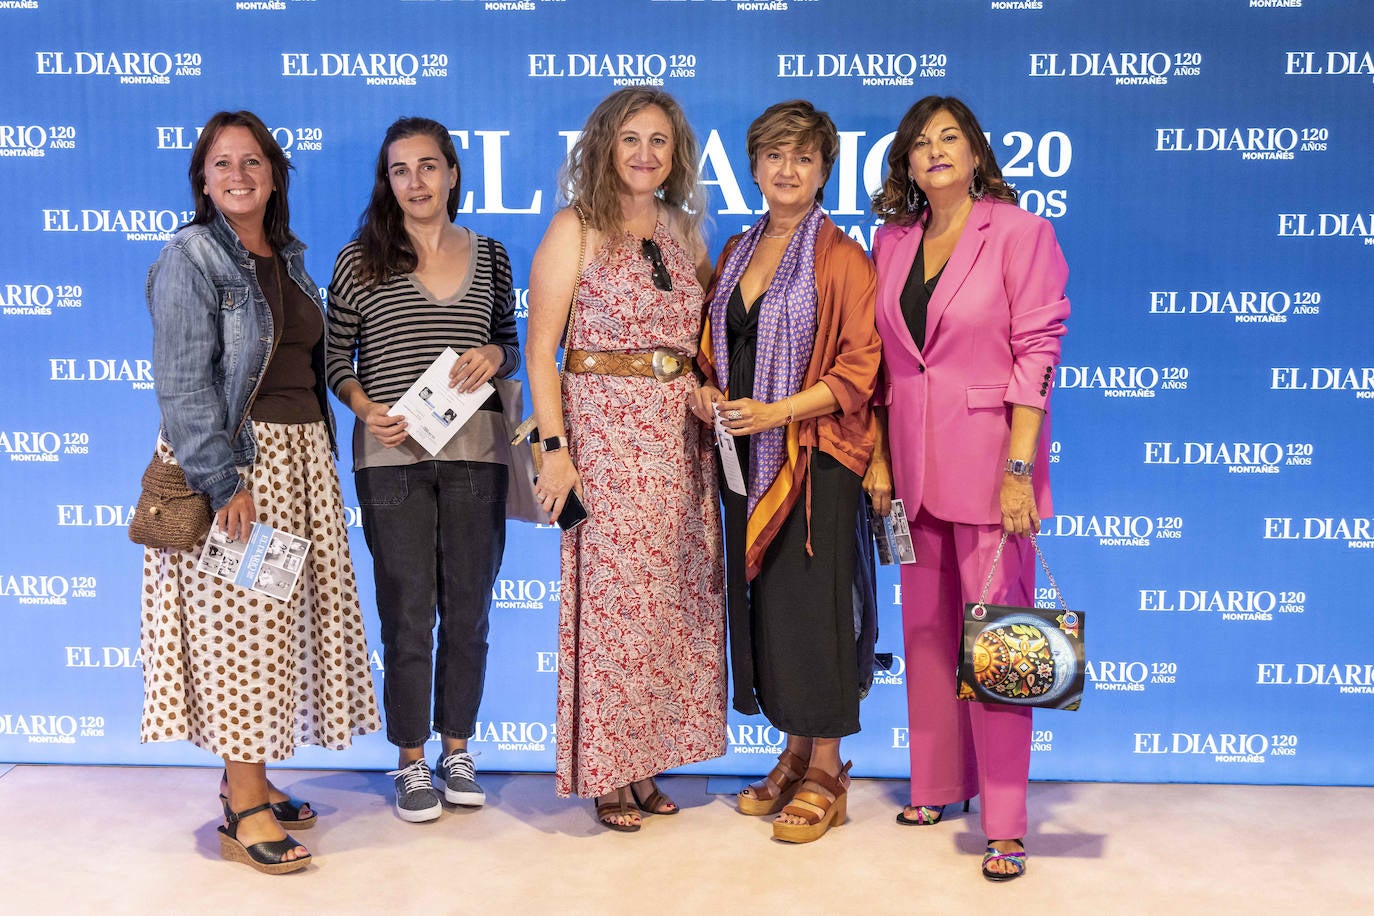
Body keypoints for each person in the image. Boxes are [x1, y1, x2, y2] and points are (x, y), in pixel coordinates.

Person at [140, 110, 381, 875]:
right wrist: (223, 482)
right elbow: (181, 383)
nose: (237, 175)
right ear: (202, 180)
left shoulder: (287, 256)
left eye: (252, 162)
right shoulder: (191, 256)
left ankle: (251, 778)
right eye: (221, 164)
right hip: (242, 471)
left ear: (274, 174)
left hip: (300, 463)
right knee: (243, 633)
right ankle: (242, 811)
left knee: (276, 630)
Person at [865, 96, 1070, 881]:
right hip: (913, 476)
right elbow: (888, 366)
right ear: (907, 166)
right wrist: (881, 459)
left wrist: (1020, 469)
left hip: (993, 471)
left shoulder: (1021, 234)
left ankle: (1007, 820)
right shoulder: (892, 241)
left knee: (1002, 641)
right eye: (921, 143)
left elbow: (1037, 355)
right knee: (923, 634)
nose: (935, 151)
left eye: (950, 138)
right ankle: (937, 785)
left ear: (977, 153)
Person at [525, 88, 726, 832]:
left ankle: (645, 764)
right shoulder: (574, 227)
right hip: (603, 441)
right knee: (613, 610)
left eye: (660, 142)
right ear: (605, 146)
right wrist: (556, 452)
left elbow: (700, 345)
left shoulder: (684, 231)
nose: (646, 154)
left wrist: (704, 392)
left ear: (676, 156)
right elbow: (541, 353)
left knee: (665, 610)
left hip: (679, 446)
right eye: (632, 139)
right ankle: (607, 773)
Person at [691, 99, 881, 844]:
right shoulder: (737, 250)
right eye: (774, 156)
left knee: (817, 612)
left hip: (817, 459)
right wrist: (709, 393)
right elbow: (714, 350)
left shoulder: (842, 257)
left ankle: (829, 768)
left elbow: (860, 369)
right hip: (744, 457)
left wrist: (779, 413)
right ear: (754, 167)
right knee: (772, 609)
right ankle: (794, 750)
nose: (788, 169)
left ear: (826, 169)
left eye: (803, 157)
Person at [325, 117, 521, 823]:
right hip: (391, 460)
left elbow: (510, 344)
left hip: (476, 456)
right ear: (388, 181)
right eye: (401, 170)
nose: (416, 181)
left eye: (429, 166)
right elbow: (334, 361)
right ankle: (410, 759)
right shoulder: (359, 261)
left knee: (467, 612)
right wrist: (363, 404)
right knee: (407, 613)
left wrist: (497, 359)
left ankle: (456, 749)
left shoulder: (492, 256)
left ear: (453, 174)